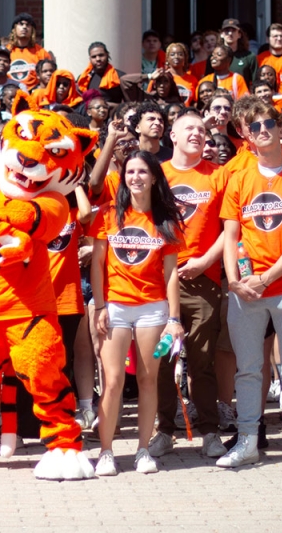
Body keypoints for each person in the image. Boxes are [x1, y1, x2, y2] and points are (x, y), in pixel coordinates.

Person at [217, 99, 282, 469]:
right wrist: (234, 281)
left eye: (268, 123)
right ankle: (247, 439)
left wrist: (265, 278)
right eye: (254, 126)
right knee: (248, 369)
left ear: (280, 128)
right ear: (246, 135)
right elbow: (230, 236)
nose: (263, 130)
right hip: (246, 289)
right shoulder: (238, 179)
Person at [90, 150, 184, 476]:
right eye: (130, 172)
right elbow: (97, 264)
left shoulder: (165, 220)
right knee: (113, 380)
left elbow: (171, 273)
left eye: (142, 171)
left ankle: (143, 450)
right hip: (115, 306)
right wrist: (99, 306)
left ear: (154, 177)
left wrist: (174, 318)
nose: (135, 177)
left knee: (147, 379)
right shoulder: (108, 214)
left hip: (153, 310)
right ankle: (106, 452)